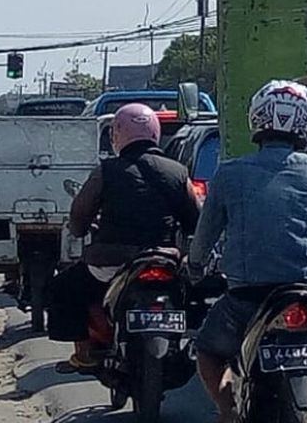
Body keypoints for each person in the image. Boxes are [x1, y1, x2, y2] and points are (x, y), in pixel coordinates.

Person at [188, 80, 307, 423]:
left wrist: (195, 267)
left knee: (208, 352)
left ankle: (227, 410)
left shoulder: (228, 173)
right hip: (304, 292)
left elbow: (206, 233)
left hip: (246, 298)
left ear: (257, 120)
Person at [46, 103, 201, 373]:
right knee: (200, 295)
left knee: (62, 289)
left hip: (110, 263)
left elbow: (80, 215)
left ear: (117, 135)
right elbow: (195, 221)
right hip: (165, 259)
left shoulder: (106, 171)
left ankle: (84, 353)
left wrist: (79, 229)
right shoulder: (178, 172)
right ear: (154, 132)